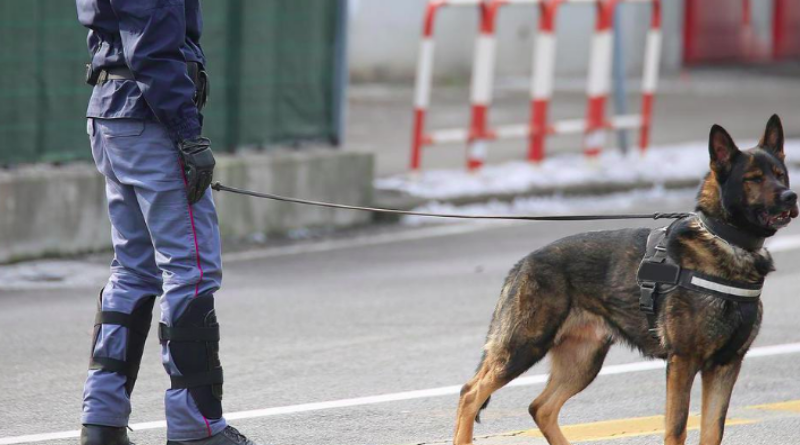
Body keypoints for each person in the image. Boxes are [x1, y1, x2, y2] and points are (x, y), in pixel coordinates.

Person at [76, 1, 261, 444]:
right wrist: (187, 135)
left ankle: (101, 421)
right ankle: (197, 428)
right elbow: (153, 50)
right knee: (191, 271)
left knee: (133, 270)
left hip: (111, 111)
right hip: (150, 118)